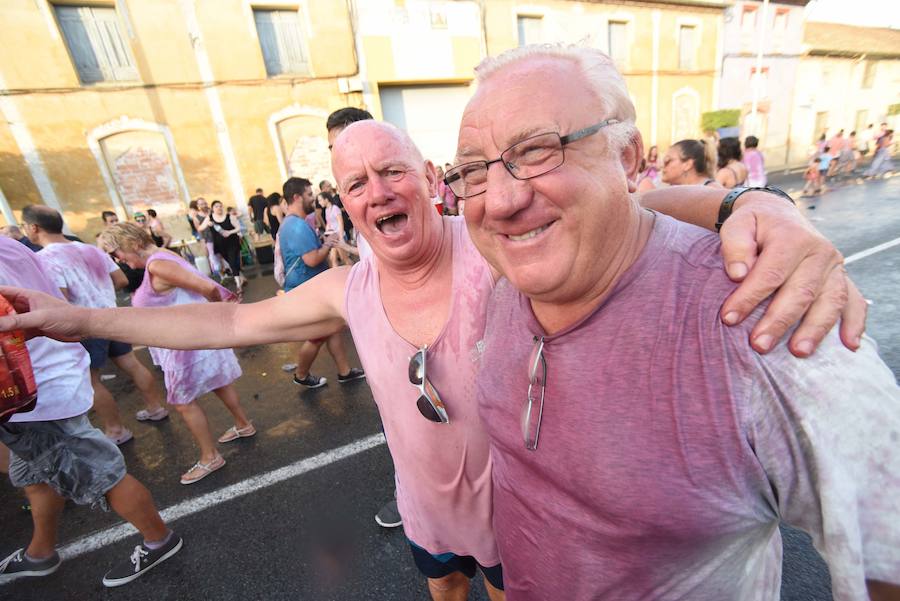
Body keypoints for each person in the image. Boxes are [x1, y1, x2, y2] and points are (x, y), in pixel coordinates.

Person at [0, 119, 872, 601]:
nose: (377, 190)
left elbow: (628, 209)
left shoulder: (496, 247)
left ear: (429, 178)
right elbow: (226, 329)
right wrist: (76, 314)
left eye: (392, 171)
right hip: (425, 514)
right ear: (346, 205)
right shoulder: (349, 288)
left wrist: (753, 202)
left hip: (520, 524)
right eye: (356, 183)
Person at [450, 43, 898, 600]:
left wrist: (758, 201)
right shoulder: (503, 283)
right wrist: (749, 199)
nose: (499, 200)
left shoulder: (767, 324)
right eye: (472, 170)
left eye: (538, 150)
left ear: (628, 156)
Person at [0, 235, 182, 587]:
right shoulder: (15, 245)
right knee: (37, 478)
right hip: (55, 362)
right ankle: (40, 552)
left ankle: (159, 538)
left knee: (101, 473)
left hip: (34, 389)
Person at [98, 222, 254, 485]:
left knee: (182, 402)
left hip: (186, 345)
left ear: (132, 244)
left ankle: (210, 457)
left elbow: (208, 288)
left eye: (117, 252)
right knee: (219, 383)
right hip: (197, 337)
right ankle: (243, 424)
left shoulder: (158, 264)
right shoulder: (164, 256)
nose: (117, 260)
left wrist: (224, 318)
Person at [21, 205, 168, 444]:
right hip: (112, 315)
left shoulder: (44, 260)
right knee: (131, 363)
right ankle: (155, 408)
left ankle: (116, 430)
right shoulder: (90, 248)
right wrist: (99, 292)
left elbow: (61, 298)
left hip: (85, 324)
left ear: (33, 227)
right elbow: (120, 279)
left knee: (93, 379)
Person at [279, 176, 365, 388]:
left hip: (312, 289)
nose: (313, 199)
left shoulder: (294, 224)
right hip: (306, 291)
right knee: (318, 335)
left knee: (332, 328)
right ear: (297, 197)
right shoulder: (296, 227)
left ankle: (344, 372)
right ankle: (301, 375)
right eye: (309, 195)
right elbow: (312, 259)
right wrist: (329, 243)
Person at [100, 210, 144, 292]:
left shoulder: (122, 232)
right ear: (105, 223)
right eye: (111, 221)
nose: (115, 223)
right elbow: (101, 257)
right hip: (123, 269)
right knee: (134, 292)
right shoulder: (103, 239)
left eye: (116, 220)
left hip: (136, 264)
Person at [208, 200, 246, 288]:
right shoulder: (210, 218)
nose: (219, 208)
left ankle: (238, 285)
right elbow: (200, 228)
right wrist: (207, 224)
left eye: (220, 206)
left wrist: (229, 232)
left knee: (232, 261)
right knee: (231, 262)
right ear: (213, 209)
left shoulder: (229, 216)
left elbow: (238, 228)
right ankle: (242, 277)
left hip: (232, 243)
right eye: (216, 206)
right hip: (220, 245)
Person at [191, 198, 226, 280]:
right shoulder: (196, 217)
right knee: (213, 256)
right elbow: (199, 230)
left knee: (223, 254)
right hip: (208, 239)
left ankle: (226, 271)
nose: (204, 205)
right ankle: (221, 275)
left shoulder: (212, 211)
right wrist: (203, 241)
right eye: (201, 204)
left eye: (205, 203)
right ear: (198, 206)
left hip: (218, 236)